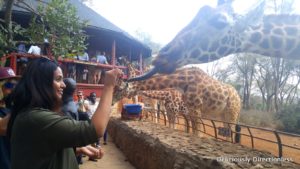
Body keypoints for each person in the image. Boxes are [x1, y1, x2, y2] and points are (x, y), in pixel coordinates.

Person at [7, 57, 123, 169]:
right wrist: (108, 86)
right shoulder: (36, 118)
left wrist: (76, 149)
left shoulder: (32, 115)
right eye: (58, 79)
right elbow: (95, 129)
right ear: (42, 83)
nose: (63, 85)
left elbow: (40, 151)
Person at [62, 78, 102, 165]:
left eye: (81, 95)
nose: (80, 96)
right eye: (78, 94)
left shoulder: (67, 108)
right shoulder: (74, 104)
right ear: (75, 92)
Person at [0, 67, 19, 169]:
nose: (13, 90)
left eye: (15, 86)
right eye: (9, 85)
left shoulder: (10, 108)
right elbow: (3, 128)